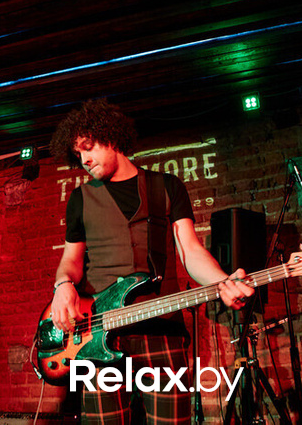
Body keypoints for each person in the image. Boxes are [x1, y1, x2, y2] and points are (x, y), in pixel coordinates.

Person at [48, 99, 254, 425]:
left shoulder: (167, 187)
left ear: (111, 137)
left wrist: (221, 281)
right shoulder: (80, 199)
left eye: (89, 148)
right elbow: (71, 260)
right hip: (97, 335)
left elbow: (190, 251)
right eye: (78, 154)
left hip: (163, 331)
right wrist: (63, 286)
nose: (84, 159)